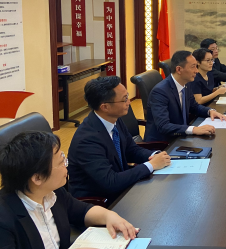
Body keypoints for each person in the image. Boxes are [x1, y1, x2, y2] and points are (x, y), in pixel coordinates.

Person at [0, 131, 138, 249]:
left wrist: (109, 216)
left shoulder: (52, 193)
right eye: (61, 162)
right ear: (37, 178)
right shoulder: (4, 217)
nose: (67, 165)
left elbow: (82, 211)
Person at [67, 76, 171, 204]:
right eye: (124, 99)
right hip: (99, 203)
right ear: (105, 107)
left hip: (122, 190)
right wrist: (151, 165)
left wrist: (155, 155)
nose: (129, 102)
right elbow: (110, 182)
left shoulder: (114, 119)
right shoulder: (87, 140)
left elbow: (131, 149)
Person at [144, 50, 226, 142]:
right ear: (179, 69)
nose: (196, 71)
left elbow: (194, 106)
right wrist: (193, 129)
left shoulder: (186, 84)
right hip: (163, 143)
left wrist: (209, 111)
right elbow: (163, 126)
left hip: (182, 136)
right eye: (193, 67)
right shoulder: (160, 92)